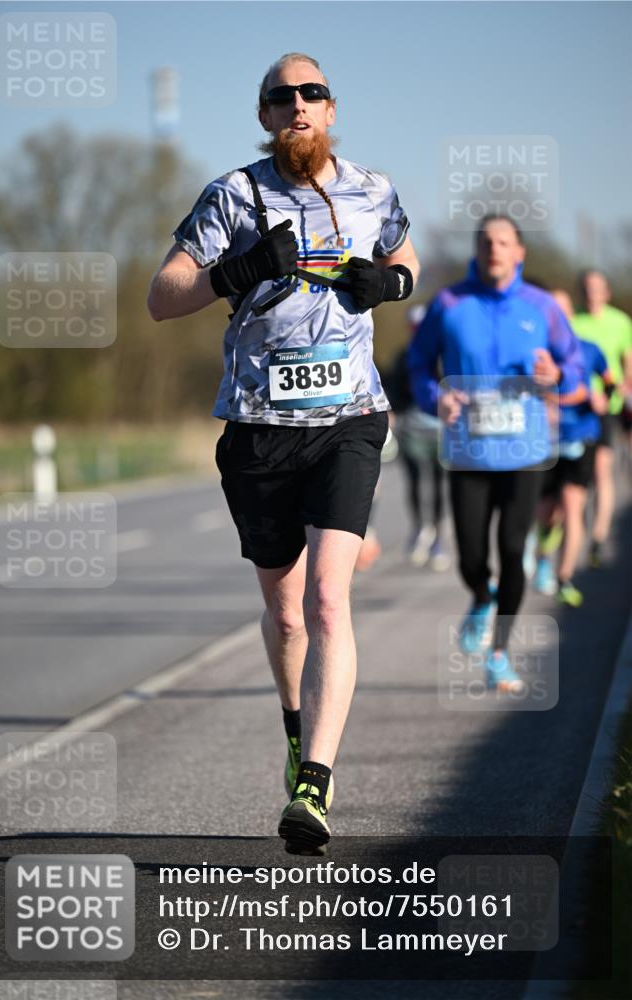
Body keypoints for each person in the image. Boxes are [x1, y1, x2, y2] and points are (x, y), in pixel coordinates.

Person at [147, 53, 419, 854]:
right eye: (282, 96)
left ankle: (315, 785)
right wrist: (237, 269)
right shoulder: (232, 195)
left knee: (330, 600)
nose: (298, 104)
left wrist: (390, 287)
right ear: (265, 116)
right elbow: (162, 297)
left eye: (312, 93)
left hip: (349, 420)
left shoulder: (373, 190)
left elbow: (405, 259)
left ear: (331, 109)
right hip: (259, 428)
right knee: (288, 612)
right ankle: (297, 732)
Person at [409, 216, 583, 692]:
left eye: (504, 242)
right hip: (468, 451)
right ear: (477, 249)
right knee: (470, 556)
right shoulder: (449, 303)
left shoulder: (542, 307)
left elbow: (573, 365)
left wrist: (556, 375)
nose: (494, 249)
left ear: (519, 252)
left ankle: (500, 653)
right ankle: (481, 597)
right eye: (486, 242)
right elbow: (418, 363)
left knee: (511, 549)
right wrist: (436, 398)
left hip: (525, 451)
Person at [533, 289, 614, 607]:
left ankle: (564, 577)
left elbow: (608, 380)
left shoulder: (588, 349)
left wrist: (603, 397)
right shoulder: (535, 351)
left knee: (572, 506)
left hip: (581, 435)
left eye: (562, 309)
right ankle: (543, 554)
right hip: (545, 440)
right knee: (546, 511)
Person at [571, 270, 632, 566]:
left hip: (608, 407)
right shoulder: (573, 322)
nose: (592, 293)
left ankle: (598, 535)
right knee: (579, 476)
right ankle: (578, 528)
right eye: (587, 288)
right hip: (577, 406)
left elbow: (628, 363)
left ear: (606, 292)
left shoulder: (620, 322)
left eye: (597, 288)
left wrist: (621, 389)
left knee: (601, 470)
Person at [383, 306, 449, 570]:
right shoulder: (403, 356)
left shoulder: (446, 355)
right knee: (415, 482)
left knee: (439, 485)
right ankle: (420, 529)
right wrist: (392, 411)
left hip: (442, 431)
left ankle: (437, 539)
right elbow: (393, 390)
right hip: (412, 430)